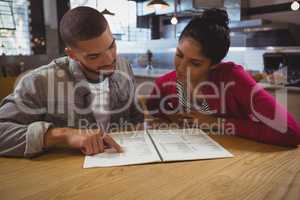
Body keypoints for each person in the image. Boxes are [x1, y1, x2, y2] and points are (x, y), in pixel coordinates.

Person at [0, 6, 144, 157]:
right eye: (94, 56)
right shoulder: (40, 81)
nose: (109, 59)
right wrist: (63, 134)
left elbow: (136, 118)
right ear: (72, 54)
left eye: (111, 46)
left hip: (123, 165)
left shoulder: (123, 66)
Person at [146, 8, 300, 147]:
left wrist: (215, 122)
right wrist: (169, 117)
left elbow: (291, 132)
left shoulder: (233, 79)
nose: (181, 67)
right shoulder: (164, 84)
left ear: (214, 64)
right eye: (179, 55)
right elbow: (152, 109)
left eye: (195, 63)